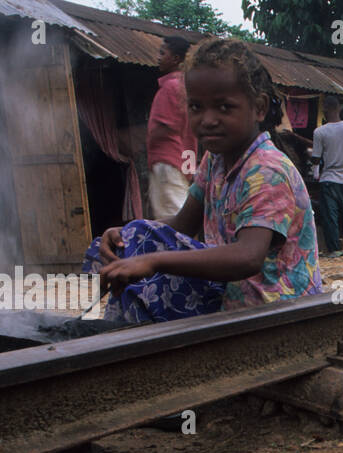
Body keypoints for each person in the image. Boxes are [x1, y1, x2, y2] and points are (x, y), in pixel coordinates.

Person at [82, 37, 321, 322]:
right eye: (196, 107)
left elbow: (248, 257)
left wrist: (153, 261)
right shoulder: (215, 160)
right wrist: (124, 234)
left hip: (276, 310)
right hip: (233, 296)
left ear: (258, 108)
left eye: (223, 107)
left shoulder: (267, 170)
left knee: (150, 265)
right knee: (135, 238)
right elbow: (182, 226)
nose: (208, 119)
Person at [146, 36, 198, 217]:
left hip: (166, 161)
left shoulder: (170, 87)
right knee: (177, 214)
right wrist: (190, 170)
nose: (158, 57)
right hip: (182, 161)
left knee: (173, 220)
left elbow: (164, 128)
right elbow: (190, 135)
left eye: (162, 53)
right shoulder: (186, 88)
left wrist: (144, 144)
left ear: (176, 59)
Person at [310, 95, 343, 256]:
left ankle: (334, 251)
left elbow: (316, 158)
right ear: (340, 108)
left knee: (330, 217)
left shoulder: (320, 132)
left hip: (329, 179)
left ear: (324, 109)